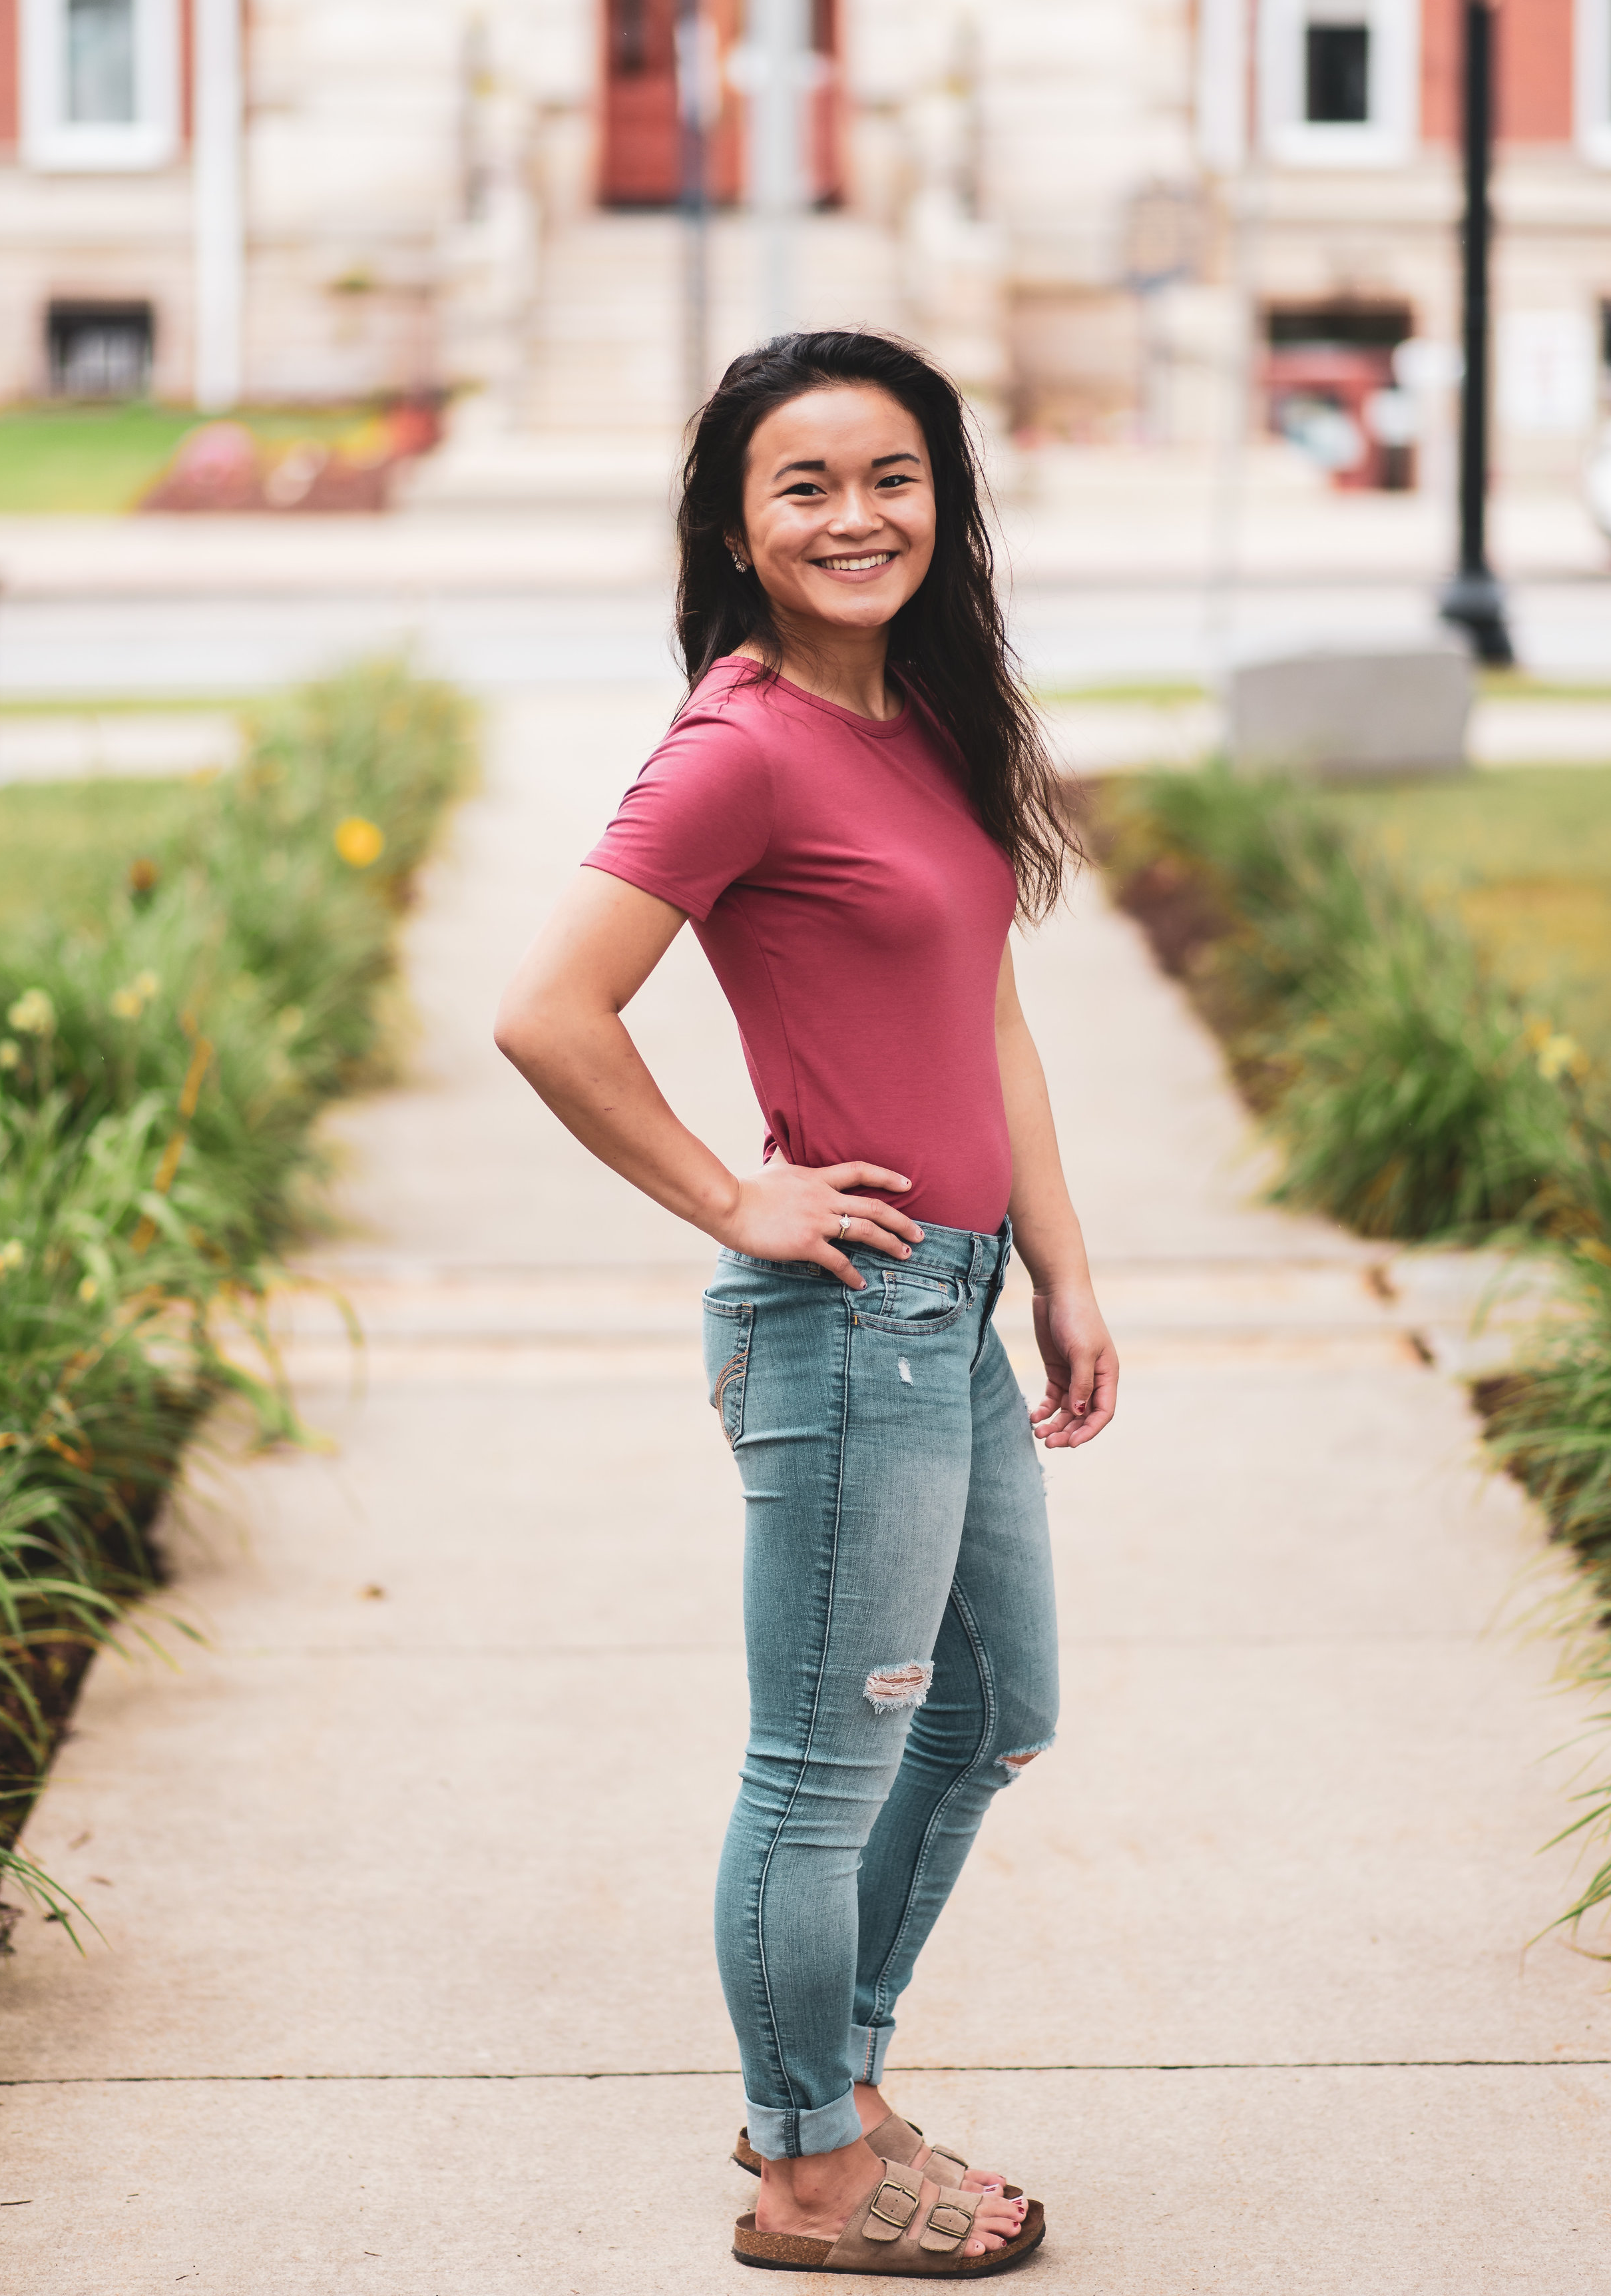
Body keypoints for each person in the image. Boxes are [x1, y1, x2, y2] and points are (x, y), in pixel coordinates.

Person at [495, 330, 1118, 2277]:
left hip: (956, 1300)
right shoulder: (741, 739)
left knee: (998, 1708)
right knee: (819, 1761)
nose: (856, 516)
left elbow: (983, 1012)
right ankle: (811, 2167)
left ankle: (829, 2086)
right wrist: (731, 1196)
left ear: (942, 497)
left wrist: (1064, 1273)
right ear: (740, 528)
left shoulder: (917, 715)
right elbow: (544, 1010)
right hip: (847, 1324)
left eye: (891, 476)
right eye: (805, 485)